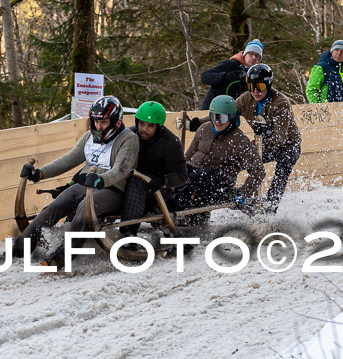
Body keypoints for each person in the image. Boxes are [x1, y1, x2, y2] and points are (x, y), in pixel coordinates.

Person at [14, 96, 139, 267]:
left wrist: (101, 180)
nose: (98, 126)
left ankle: (61, 256)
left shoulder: (128, 139)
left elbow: (121, 169)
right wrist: (40, 173)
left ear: (116, 121)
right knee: (57, 205)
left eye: (103, 122)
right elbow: (69, 159)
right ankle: (20, 247)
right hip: (87, 183)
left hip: (113, 189)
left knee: (84, 209)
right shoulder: (89, 136)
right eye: (95, 122)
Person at [167, 95, 265, 224]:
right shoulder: (204, 129)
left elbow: (258, 171)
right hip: (195, 176)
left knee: (201, 177)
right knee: (178, 173)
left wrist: (243, 193)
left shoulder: (239, 140)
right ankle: (163, 202)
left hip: (218, 181)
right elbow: (186, 157)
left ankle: (172, 206)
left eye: (222, 118)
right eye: (214, 116)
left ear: (231, 117)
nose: (217, 122)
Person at [236, 63, 302, 212]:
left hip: (288, 144)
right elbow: (226, 112)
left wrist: (266, 134)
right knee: (240, 160)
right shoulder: (246, 99)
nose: (256, 91)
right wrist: (198, 123)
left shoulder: (281, 103)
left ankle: (271, 205)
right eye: (252, 87)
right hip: (262, 144)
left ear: (268, 85)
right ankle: (238, 196)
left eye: (260, 86)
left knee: (284, 164)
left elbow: (279, 138)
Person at [119, 101, 187, 238]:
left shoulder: (170, 143)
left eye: (150, 125)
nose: (144, 129)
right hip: (129, 183)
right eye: (142, 123)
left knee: (136, 181)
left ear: (158, 126)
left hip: (158, 189)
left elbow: (181, 176)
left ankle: (129, 231)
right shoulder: (130, 135)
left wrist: (163, 181)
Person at [197, 39, 264, 112]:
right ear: (245, 54)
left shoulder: (256, 74)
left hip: (233, 114)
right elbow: (205, 77)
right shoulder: (230, 64)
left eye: (257, 56)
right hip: (210, 109)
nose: (253, 57)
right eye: (251, 54)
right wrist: (227, 76)